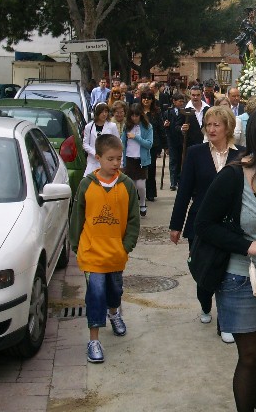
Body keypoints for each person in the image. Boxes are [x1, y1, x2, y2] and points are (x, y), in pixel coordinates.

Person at [195, 105, 256, 412]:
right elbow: (203, 225)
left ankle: (255, 400)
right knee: (250, 355)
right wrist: (245, 246)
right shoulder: (233, 177)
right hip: (240, 280)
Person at [170, 106, 244, 343]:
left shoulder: (242, 155)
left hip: (232, 225)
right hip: (201, 223)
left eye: (216, 125)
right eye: (208, 125)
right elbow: (184, 191)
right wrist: (176, 224)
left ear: (228, 128)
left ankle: (226, 321)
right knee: (205, 268)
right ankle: (204, 304)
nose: (211, 129)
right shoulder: (195, 153)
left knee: (228, 273)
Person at [69, 133, 141, 364]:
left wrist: (126, 246)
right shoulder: (87, 184)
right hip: (92, 254)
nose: (115, 163)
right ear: (98, 158)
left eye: (119, 159)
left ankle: (114, 313)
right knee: (96, 294)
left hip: (115, 254)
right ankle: (94, 339)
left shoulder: (126, 185)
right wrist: (76, 244)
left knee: (114, 291)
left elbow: (133, 220)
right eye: (110, 159)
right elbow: (77, 216)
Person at [122, 103, 153, 217]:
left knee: (140, 185)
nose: (134, 118)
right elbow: (123, 143)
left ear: (141, 115)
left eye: (137, 115)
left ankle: (143, 203)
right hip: (129, 159)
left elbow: (149, 144)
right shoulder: (127, 126)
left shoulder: (147, 127)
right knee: (131, 186)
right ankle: (133, 207)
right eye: (132, 115)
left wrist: (136, 137)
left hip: (141, 160)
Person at [140, 90, 165, 201]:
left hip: (152, 145)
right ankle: (139, 192)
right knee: (139, 169)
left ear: (152, 100)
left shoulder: (156, 112)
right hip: (139, 143)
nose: (146, 100)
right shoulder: (137, 111)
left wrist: (165, 145)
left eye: (149, 98)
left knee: (151, 169)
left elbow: (160, 128)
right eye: (144, 97)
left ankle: (150, 193)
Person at [83, 102, 120, 176]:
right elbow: (85, 144)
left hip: (108, 161)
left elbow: (117, 142)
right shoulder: (89, 127)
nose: (104, 114)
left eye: (106, 112)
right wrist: (94, 153)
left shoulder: (112, 126)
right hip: (92, 162)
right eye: (102, 112)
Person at [163, 93, 187, 191]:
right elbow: (165, 128)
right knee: (173, 161)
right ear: (174, 101)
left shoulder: (185, 112)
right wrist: (165, 125)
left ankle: (180, 179)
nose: (181, 103)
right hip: (172, 139)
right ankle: (173, 182)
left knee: (181, 160)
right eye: (179, 101)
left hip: (181, 140)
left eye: (182, 101)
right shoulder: (168, 113)